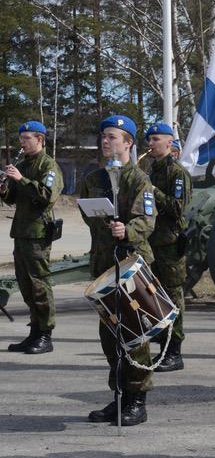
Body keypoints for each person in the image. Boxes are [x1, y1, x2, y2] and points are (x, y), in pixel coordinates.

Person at [80, 115, 157, 426]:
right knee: (109, 336)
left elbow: (147, 220)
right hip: (103, 263)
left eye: (112, 136)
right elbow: (88, 213)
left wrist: (127, 229)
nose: (106, 141)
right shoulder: (94, 178)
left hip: (131, 263)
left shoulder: (139, 180)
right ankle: (119, 396)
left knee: (133, 334)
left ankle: (138, 400)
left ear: (128, 143)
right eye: (103, 136)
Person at [1, 121, 63, 354]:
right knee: (26, 285)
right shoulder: (23, 164)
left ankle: (45, 334)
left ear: (40, 139)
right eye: (21, 138)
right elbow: (13, 199)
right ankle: (35, 332)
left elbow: (46, 196)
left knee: (39, 284)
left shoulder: (49, 166)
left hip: (38, 233)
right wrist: (5, 189)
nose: (22, 143)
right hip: (21, 232)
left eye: (27, 138)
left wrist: (20, 180)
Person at [146, 122, 192, 372]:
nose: (150, 144)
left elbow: (177, 208)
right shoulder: (151, 171)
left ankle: (174, 351)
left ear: (169, 143)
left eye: (155, 139)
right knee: (155, 299)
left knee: (173, 298)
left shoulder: (176, 173)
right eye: (149, 139)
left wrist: (153, 191)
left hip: (169, 244)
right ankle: (162, 347)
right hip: (152, 242)